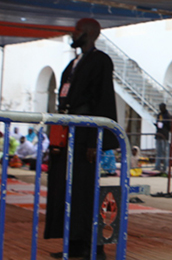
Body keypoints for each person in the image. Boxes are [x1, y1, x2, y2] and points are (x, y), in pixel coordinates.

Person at [45, 18, 118, 260]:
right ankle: (74, 242)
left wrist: (95, 143)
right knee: (65, 189)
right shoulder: (73, 63)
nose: (72, 33)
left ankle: (94, 247)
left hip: (86, 135)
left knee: (86, 192)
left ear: (87, 33)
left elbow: (104, 99)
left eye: (76, 29)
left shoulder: (100, 61)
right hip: (68, 134)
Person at [154, 103, 171, 173]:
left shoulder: (168, 115)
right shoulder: (159, 115)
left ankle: (164, 167)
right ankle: (157, 166)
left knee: (165, 152)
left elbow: (169, 126)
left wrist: (163, 124)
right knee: (158, 151)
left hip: (164, 136)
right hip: (159, 134)